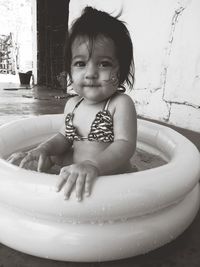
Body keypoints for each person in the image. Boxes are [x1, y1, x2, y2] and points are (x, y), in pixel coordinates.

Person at [8, 6, 137, 201]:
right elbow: (64, 138)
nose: (91, 73)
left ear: (122, 69)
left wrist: (94, 165)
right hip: (76, 169)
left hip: (112, 180)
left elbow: (125, 145)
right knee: (49, 159)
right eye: (80, 63)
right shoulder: (73, 105)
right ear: (69, 70)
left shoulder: (119, 104)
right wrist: (43, 149)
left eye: (104, 64)